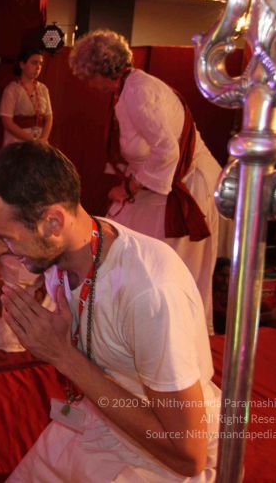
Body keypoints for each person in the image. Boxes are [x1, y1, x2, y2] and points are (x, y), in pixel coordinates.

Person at [0, 142, 219, 482]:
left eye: (6, 237)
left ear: (53, 221)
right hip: (102, 416)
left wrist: (64, 356)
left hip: (162, 451)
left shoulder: (149, 292)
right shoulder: (70, 247)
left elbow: (188, 454)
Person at [69, 29, 221, 335]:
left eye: (87, 78)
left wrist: (129, 187)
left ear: (98, 71)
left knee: (160, 262)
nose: (88, 85)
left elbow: (167, 152)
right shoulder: (129, 88)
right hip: (164, 182)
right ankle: (125, 322)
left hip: (185, 187)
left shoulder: (138, 92)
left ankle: (167, 332)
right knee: (119, 235)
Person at [0, 234, 53, 352]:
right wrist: (0, 286)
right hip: (4, 282)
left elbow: (56, 259)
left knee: (46, 336)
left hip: (41, 282)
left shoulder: (49, 225)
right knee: (7, 340)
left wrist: (43, 289)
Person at [0, 48, 53, 146]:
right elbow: (7, 122)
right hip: (17, 142)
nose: (38, 67)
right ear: (22, 65)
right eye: (34, 63)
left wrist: (43, 139)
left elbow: (49, 117)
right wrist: (31, 139)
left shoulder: (43, 88)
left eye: (40, 63)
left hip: (39, 141)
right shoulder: (12, 90)